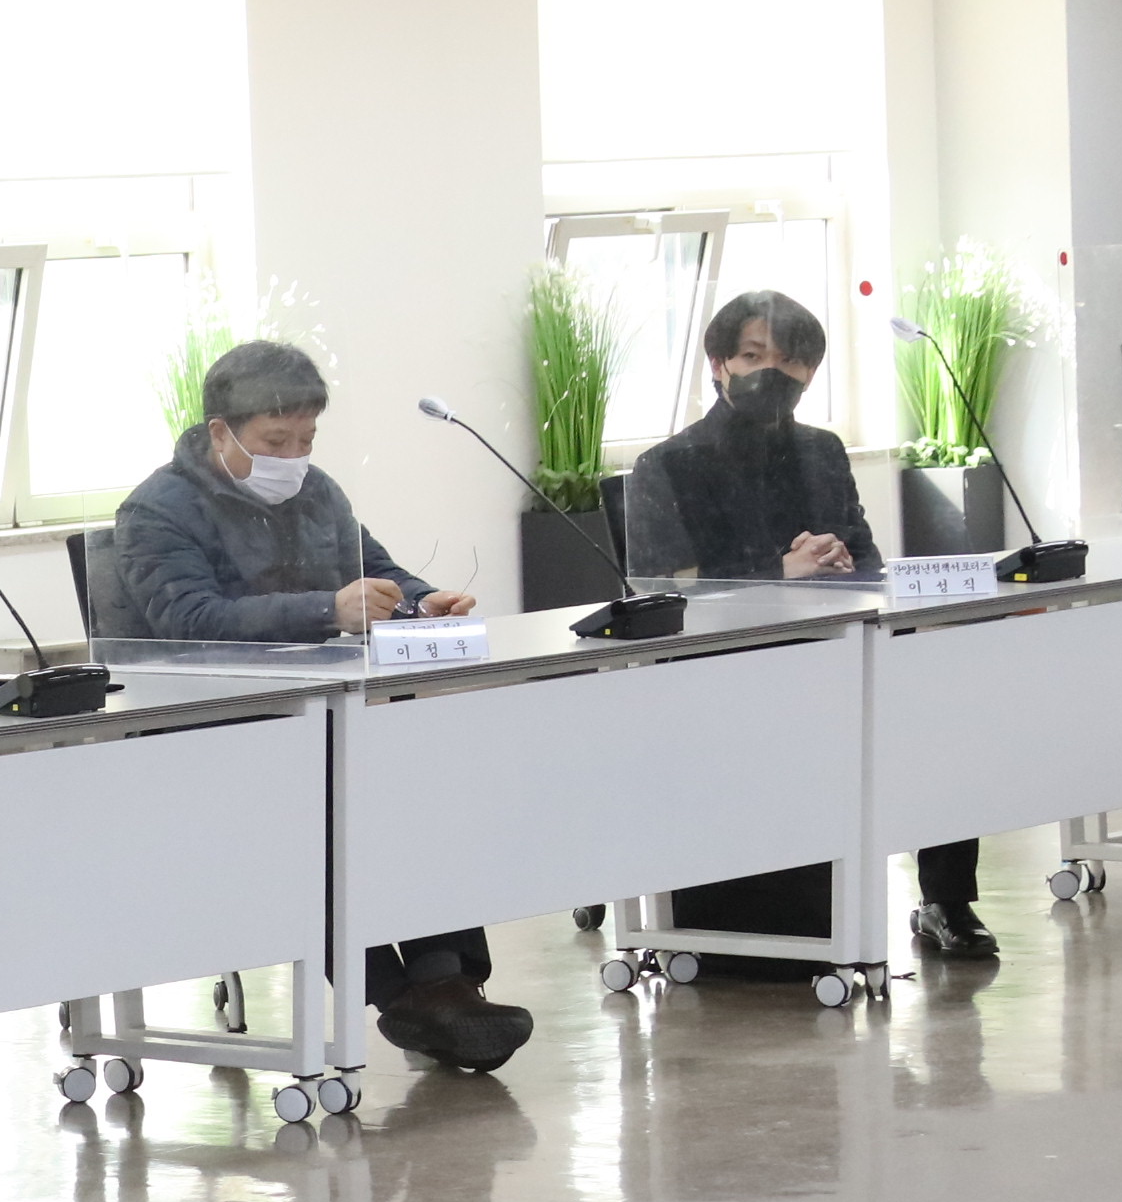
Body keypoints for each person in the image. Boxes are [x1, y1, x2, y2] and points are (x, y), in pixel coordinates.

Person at [109, 340, 531, 1073]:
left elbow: (375, 569)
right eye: (277, 442)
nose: (294, 457)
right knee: (326, 809)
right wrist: (326, 610)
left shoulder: (318, 493)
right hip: (219, 733)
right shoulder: (156, 511)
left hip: (328, 717)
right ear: (221, 432)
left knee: (414, 783)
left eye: (306, 440)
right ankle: (405, 994)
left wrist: (421, 600)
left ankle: (445, 983)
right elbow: (189, 619)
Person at [620, 292, 998, 966]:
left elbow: (868, 558)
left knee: (941, 694)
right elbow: (659, 588)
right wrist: (780, 571)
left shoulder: (822, 450)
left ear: (810, 373)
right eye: (753, 356)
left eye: (791, 362)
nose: (773, 373)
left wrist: (842, 560)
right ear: (719, 364)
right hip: (725, 669)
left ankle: (946, 899)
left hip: (833, 647)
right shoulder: (667, 464)